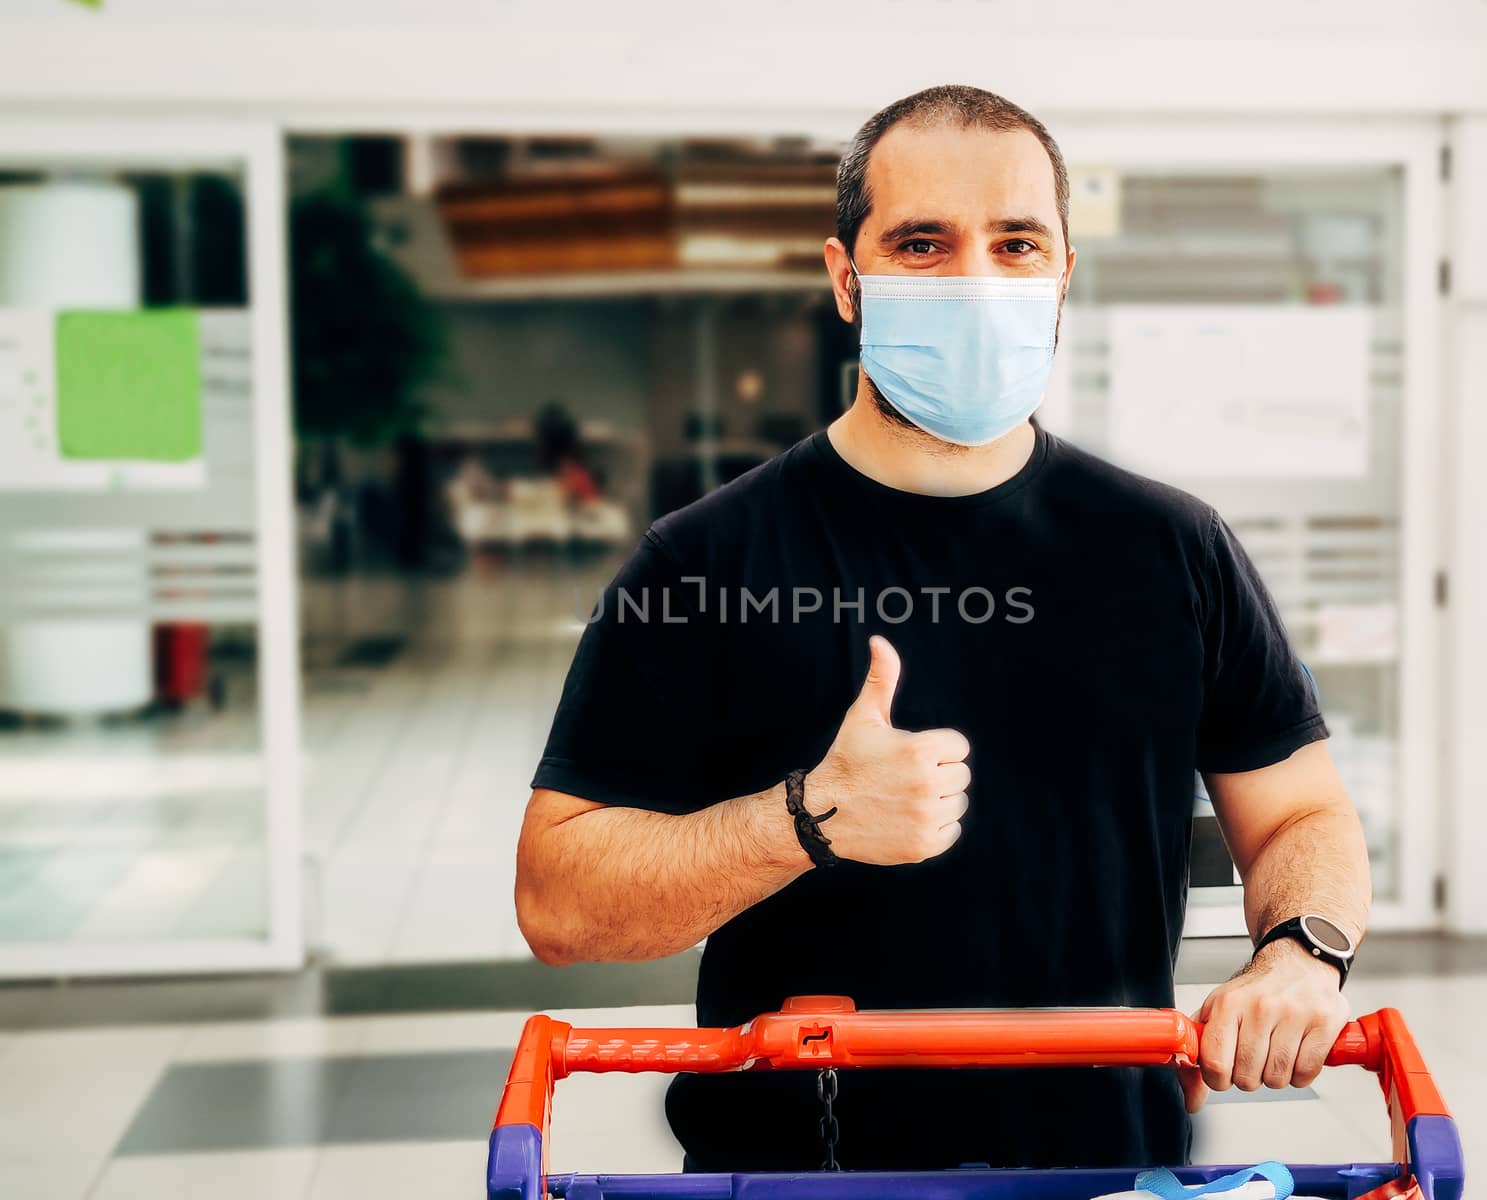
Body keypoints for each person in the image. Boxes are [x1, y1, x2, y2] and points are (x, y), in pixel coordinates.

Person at [515, 85, 1370, 1172]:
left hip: (1107, 1166)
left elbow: (1301, 812)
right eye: (923, 244)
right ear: (845, 280)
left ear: (1063, 276)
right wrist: (806, 819)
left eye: (1015, 244)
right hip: (800, 1177)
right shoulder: (704, 564)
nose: (975, 280)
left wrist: (1301, 954)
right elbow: (558, 901)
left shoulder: (1173, 549)